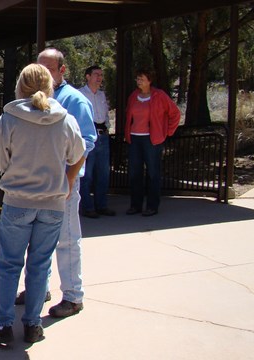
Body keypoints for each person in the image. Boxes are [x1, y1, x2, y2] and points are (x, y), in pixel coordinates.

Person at [0, 64, 85, 346]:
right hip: (53, 204)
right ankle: (33, 325)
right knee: (40, 265)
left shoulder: (8, 119)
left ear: (20, 86)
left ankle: (3, 325)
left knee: (9, 265)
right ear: (50, 86)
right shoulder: (65, 119)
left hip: (18, 203)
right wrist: (68, 181)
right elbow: (79, 153)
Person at [13, 48, 97, 318]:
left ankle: (73, 296)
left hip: (63, 188)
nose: (43, 72)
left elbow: (86, 144)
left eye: (49, 68)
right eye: (39, 66)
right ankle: (39, 289)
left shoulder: (76, 101)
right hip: (36, 186)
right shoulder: (29, 101)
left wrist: (70, 181)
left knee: (67, 240)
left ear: (62, 71)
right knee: (36, 242)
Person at [124, 68, 180, 216]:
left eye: (141, 78)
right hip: (135, 138)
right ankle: (135, 205)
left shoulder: (159, 95)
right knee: (135, 173)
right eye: (137, 78)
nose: (138, 81)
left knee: (153, 174)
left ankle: (152, 206)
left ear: (149, 80)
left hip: (151, 139)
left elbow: (175, 113)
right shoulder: (134, 96)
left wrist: (167, 132)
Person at [78, 65, 115, 218]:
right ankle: (87, 207)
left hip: (103, 136)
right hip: (87, 136)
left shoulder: (101, 95)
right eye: (96, 74)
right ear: (88, 76)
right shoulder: (80, 94)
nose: (99, 77)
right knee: (87, 175)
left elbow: (105, 115)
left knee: (103, 174)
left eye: (101, 74)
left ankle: (101, 205)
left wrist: (107, 128)